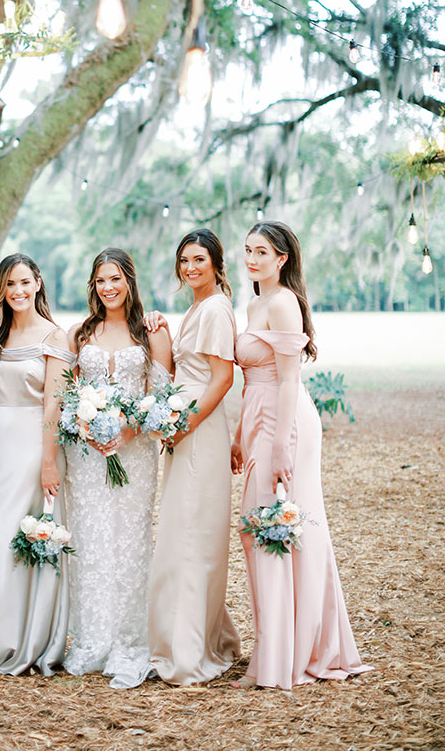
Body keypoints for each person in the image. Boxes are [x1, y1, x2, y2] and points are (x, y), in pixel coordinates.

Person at [232, 219, 370, 689]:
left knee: (281, 529)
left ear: (282, 258)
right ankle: (278, 644)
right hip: (256, 417)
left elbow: (289, 378)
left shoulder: (283, 302)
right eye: (248, 250)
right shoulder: (253, 302)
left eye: (262, 252)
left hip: (285, 422)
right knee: (263, 530)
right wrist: (240, 434)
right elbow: (252, 375)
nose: (252, 259)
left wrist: (277, 445)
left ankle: (287, 657)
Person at [0, 254, 74, 675]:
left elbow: (53, 404)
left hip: (33, 447)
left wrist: (47, 462)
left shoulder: (55, 337)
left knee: (16, 535)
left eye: (25, 282)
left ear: (38, 283)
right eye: (10, 285)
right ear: (1, 291)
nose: (18, 291)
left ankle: (16, 636)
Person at [63, 247, 172, 689]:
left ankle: (130, 638)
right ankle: (92, 638)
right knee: (90, 539)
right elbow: (67, 395)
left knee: (130, 539)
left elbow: (162, 397)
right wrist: (85, 427)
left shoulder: (152, 333)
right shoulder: (80, 334)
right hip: (87, 455)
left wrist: (128, 431)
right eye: (100, 280)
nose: (108, 288)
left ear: (129, 280)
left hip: (135, 451)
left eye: (115, 279)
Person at [145, 229, 241, 684]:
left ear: (217, 265)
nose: (189, 268)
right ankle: (195, 636)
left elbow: (221, 379)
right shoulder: (197, 308)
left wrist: (184, 424)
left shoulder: (217, 308)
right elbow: (186, 367)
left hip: (199, 432)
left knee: (190, 536)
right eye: (184, 260)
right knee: (185, 531)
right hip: (186, 430)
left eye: (199, 260)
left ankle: (187, 650)